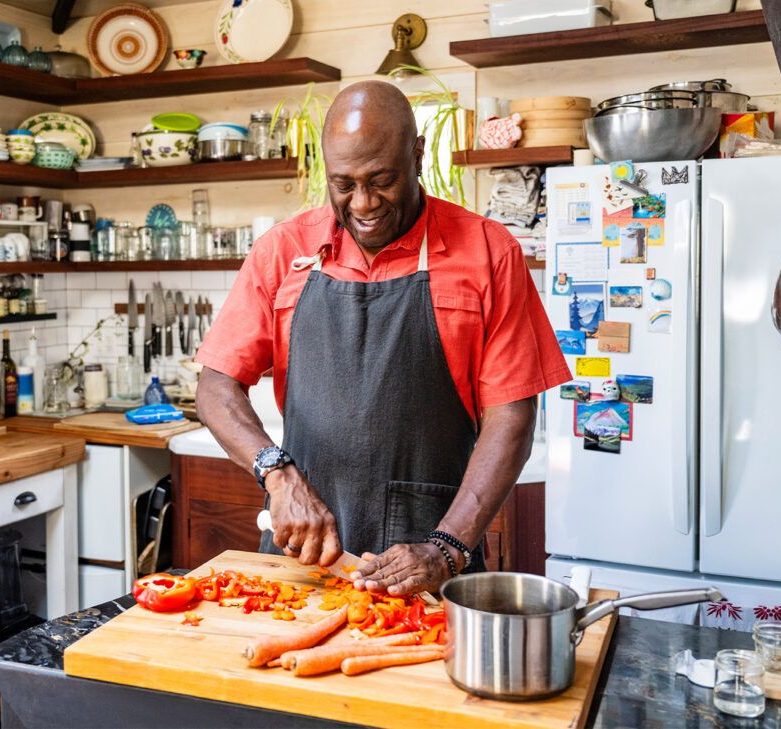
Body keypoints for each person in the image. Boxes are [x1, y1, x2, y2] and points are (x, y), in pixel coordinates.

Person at [193, 80, 570, 596]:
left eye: (382, 180)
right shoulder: (283, 250)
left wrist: (447, 547)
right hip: (304, 556)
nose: (364, 203)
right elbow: (216, 385)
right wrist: (276, 476)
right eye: (344, 184)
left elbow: (513, 415)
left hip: (431, 564)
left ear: (417, 155)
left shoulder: (488, 251)